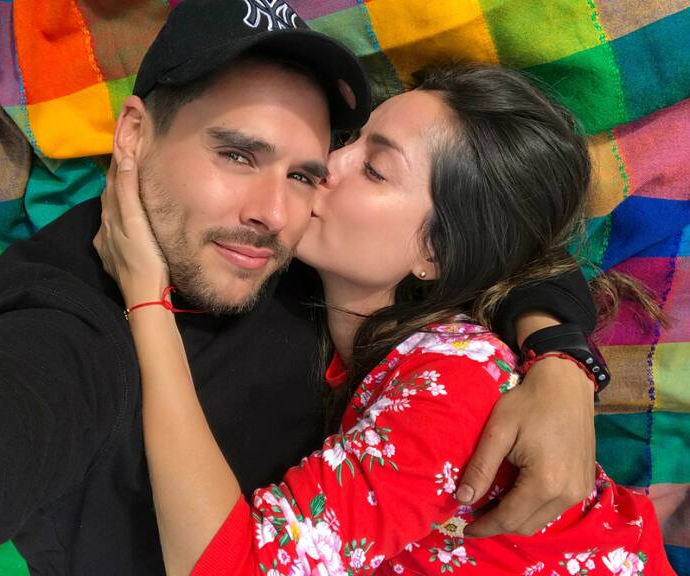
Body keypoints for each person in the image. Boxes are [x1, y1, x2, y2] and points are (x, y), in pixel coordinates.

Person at [0, 1, 600, 574]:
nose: (277, 209)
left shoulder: (391, 314)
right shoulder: (65, 317)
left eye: (308, 169)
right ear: (133, 134)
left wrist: (561, 360)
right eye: (237, 154)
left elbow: (512, 238)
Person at [97, 63, 675, 575]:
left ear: (437, 252)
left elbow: (233, 568)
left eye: (374, 168)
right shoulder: (339, 314)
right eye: (347, 139)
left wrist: (146, 297)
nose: (327, 163)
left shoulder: (451, 384)